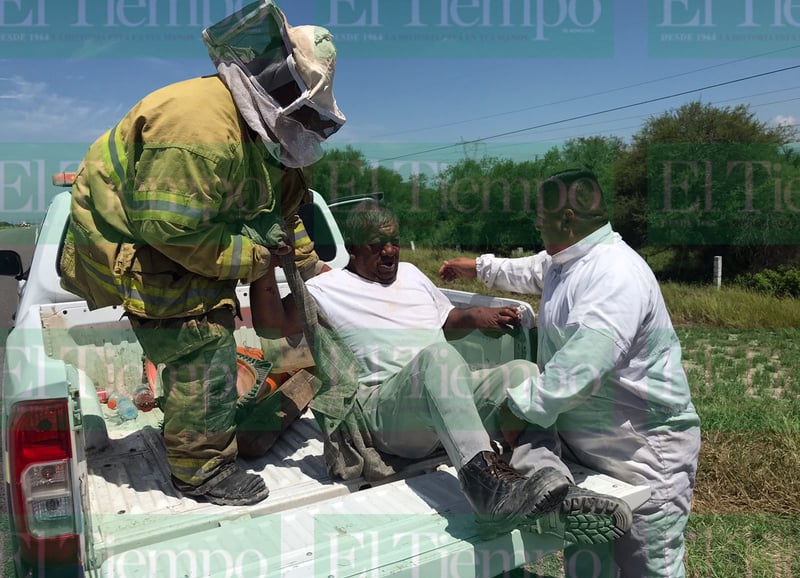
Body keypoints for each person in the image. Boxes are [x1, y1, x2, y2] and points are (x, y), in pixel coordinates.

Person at [58, 0, 345, 506]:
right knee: (203, 341)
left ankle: (201, 436)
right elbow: (173, 229)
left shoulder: (257, 135)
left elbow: (285, 212)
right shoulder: (198, 130)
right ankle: (201, 471)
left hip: (183, 239)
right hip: (135, 247)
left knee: (216, 332)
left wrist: (313, 271)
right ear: (277, 84)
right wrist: (257, 259)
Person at [250, 202, 632, 540]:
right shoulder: (326, 288)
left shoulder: (413, 274)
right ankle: (489, 490)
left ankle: (553, 490)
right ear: (352, 247)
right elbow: (270, 327)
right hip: (386, 414)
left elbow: (444, 317)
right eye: (376, 243)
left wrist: (477, 315)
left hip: (446, 397)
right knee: (439, 359)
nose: (390, 251)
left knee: (522, 374)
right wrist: (265, 261)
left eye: (395, 241)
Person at [439, 169, 701, 578]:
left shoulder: (614, 274)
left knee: (650, 573)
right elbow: (530, 270)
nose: (536, 223)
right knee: (588, 559)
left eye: (541, 216)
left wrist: (517, 407)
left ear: (567, 217)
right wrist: (477, 267)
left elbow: (580, 370)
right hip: (593, 445)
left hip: (644, 450)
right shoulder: (568, 260)